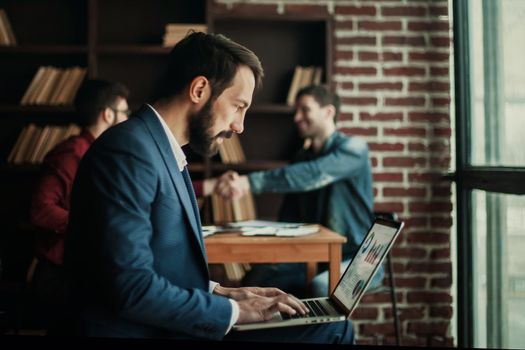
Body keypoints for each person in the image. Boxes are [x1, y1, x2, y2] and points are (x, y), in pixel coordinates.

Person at [63, 32, 354, 344]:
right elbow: (131, 287)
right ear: (200, 89)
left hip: (168, 325)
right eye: (238, 106)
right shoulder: (129, 152)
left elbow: (158, 265)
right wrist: (233, 311)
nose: (239, 125)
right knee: (334, 329)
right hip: (145, 331)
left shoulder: (159, 148)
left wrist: (222, 291)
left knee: (330, 324)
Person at [214, 85, 381, 298]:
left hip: (360, 259)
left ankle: (334, 332)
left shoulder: (354, 148)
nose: (297, 117)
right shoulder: (302, 157)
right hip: (314, 256)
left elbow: (313, 174)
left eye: (305, 109)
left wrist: (248, 183)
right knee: (257, 278)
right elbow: (289, 218)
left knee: (322, 287)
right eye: (296, 110)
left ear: (328, 112)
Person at [28, 79, 130, 329]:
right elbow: (41, 210)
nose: (129, 119)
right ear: (108, 114)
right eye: (126, 113)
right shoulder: (72, 153)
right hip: (60, 277)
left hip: (81, 270)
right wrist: (90, 226)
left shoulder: (102, 153)